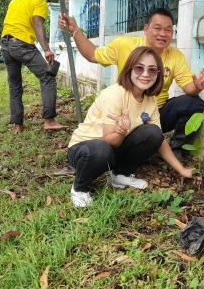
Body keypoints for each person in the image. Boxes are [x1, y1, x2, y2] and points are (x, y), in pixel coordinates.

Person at [59, 8, 204, 159]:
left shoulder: (175, 55)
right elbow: (92, 54)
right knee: (115, 136)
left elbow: (189, 89)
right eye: (157, 28)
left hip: (155, 113)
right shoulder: (124, 45)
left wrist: (198, 86)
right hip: (127, 114)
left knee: (193, 103)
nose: (162, 34)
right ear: (146, 29)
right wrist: (76, 31)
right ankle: (121, 154)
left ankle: (177, 152)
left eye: (168, 30)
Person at [68, 46, 193, 208]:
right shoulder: (116, 94)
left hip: (112, 147)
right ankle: (79, 188)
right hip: (85, 149)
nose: (145, 74)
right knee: (101, 149)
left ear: (158, 74)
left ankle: (120, 174)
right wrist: (121, 131)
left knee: (153, 133)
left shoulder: (150, 101)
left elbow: (159, 140)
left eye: (152, 70)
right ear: (129, 69)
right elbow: (109, 141)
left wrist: (181, 169)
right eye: (139, 68)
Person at [0, 0, 64, 133]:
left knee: (15, 86)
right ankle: (49, 121)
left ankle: (18, 125)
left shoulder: (16, 0)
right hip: (21, 44)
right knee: (48, 77)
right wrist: (47, 49)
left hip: (5, 45)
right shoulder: (39, 1)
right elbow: (37, 24)